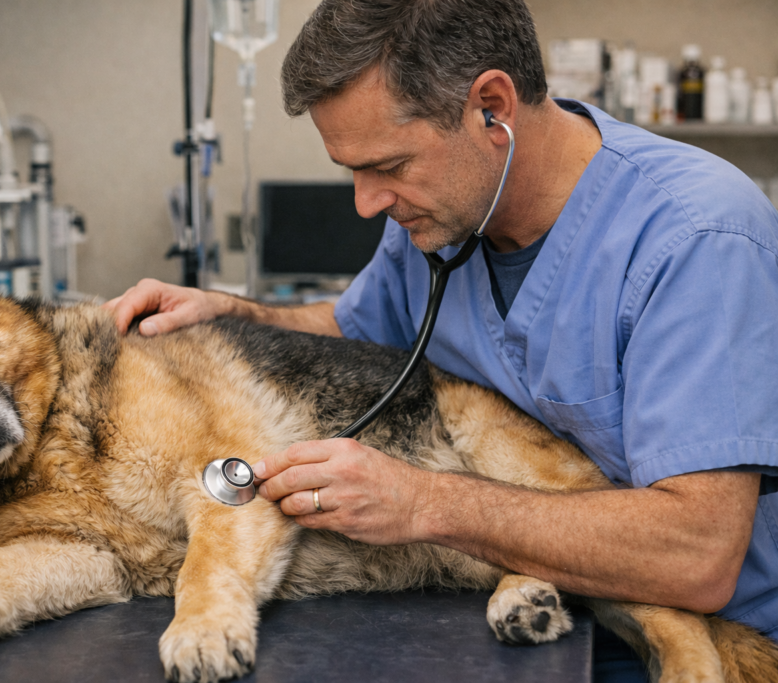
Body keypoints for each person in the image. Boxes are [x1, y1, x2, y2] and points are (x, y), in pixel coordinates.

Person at [106, 1, 778, 679]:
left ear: (491, 106)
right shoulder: (439, 221)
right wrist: (228, 312)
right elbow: (347, 330)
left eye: (389, 166)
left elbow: (698, 555)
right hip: (526, 615)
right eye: (353, 172)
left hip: (708, 643)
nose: (368, 204)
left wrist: (424, 501)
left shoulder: (696, 238)